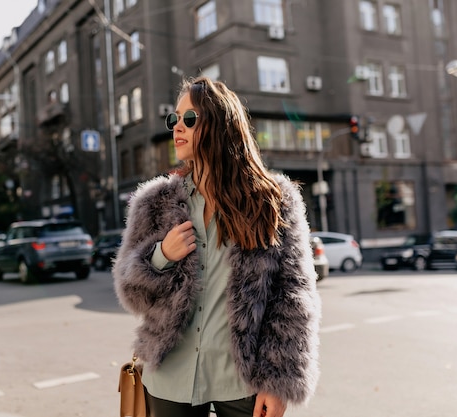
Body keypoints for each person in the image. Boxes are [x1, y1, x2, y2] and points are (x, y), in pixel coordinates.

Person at [112, 77, 321, 417]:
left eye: (189, 119)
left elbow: (294, 298)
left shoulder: (273, 201)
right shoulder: (154, 203)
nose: (178, 127)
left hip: (243, 379)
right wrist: (161, 256)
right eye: (174, 119)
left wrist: (279, 381)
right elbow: (129, 291)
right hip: (171, 375)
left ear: (221, 123)